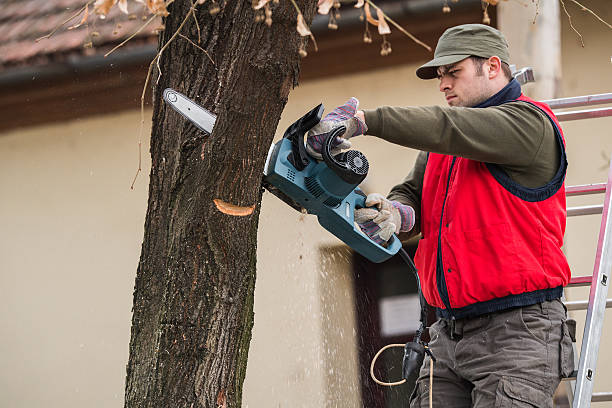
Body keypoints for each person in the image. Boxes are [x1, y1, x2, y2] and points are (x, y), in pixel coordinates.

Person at [306, 24, 575, 407]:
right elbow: (414, 191)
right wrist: (398, 213)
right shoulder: (446, 145)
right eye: (439, 76)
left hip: (519, 334)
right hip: (448, 335)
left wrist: (365, 121)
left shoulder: (529, 125)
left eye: (453, 72)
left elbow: (447, 127)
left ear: (493, 66)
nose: (443, 84)